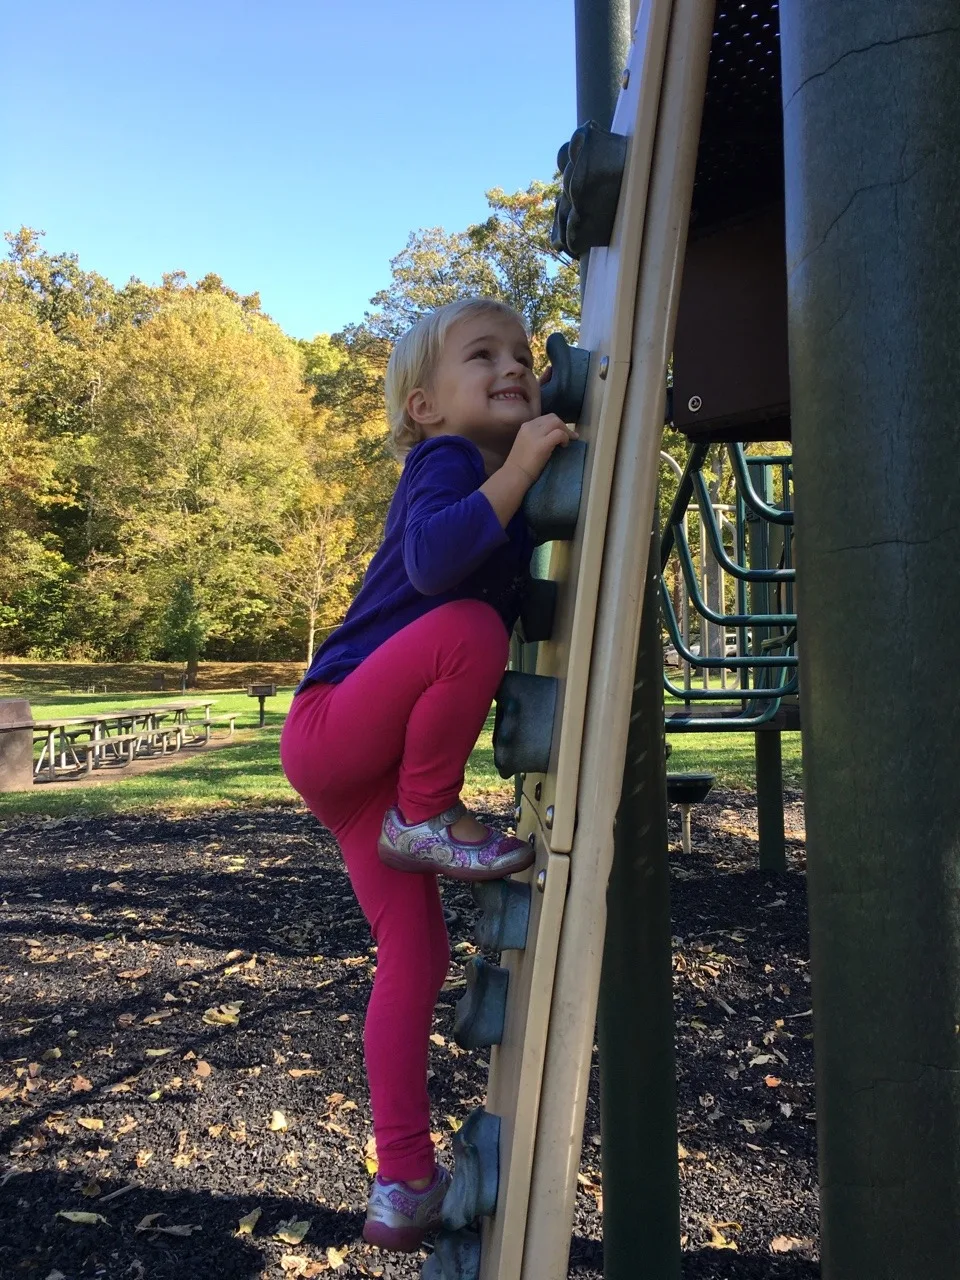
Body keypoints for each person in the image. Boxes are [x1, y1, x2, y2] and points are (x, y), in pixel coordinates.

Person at [279, 297, 576, 1252]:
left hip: (353, 773)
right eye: (482, 355)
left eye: (523, 354)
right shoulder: (446, 467)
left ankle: (402, 1178)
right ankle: (427, 812)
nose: (514, 366)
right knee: (466, 628)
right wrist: (525, 464)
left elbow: (513, 590)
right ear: (425, 408)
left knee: (417, 960)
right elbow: (438, 561)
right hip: (338, 726)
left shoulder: (500, 495)